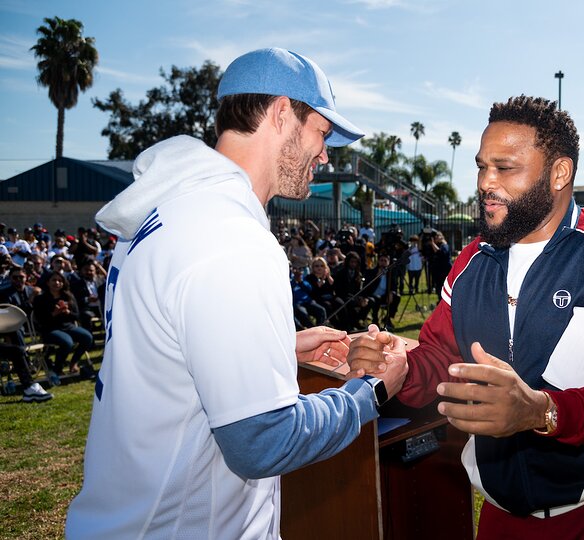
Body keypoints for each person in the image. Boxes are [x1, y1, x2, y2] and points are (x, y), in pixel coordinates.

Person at [66, 47, 408, 539]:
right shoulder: (230, 237)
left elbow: (163, 349)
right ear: (281, 112)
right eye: (322, 133)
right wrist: (369, 394)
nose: (325, 154)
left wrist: (275, 348)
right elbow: (261, 444)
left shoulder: (172, 213)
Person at [349, 96, 584, 539]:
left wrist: (540, 411)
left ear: (558, 173)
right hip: (504, 514)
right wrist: (400, 366)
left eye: (505, 168)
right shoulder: (470, 261)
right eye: (482, 166)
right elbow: (437, 360)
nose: (487, 182)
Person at [32, 271, 94, 378]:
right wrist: (54, 314)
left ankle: (74, 362)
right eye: (54, 280)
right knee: (67, 342)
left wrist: (68, 312)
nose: (57, 283)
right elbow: (40, 320)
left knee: (87, 337)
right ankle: (57, 368)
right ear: (47, 282)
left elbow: (77, 316)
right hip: (49, 329)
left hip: (67, 326)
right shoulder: (40, 299)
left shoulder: (68, 296)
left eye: (60, 280)